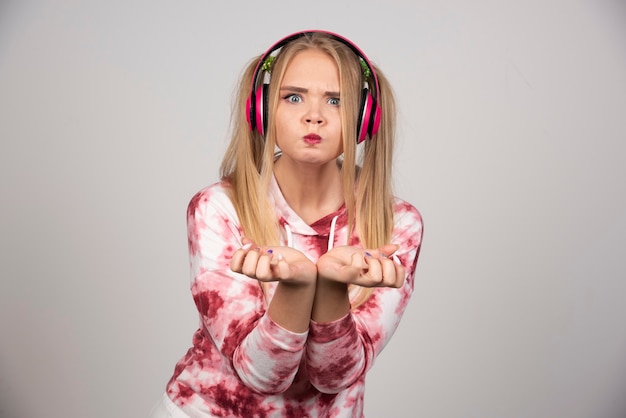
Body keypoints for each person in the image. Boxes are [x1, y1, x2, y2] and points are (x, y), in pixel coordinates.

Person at [150, 30, 423, 418]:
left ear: (365, 119)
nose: (314, 115)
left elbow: (334, 376)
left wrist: (328, 285)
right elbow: (262, 375)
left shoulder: (397, 224)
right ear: (261, 110)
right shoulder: (219, 208)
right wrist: (297, 286)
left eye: (336, 100)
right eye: (293, 97)